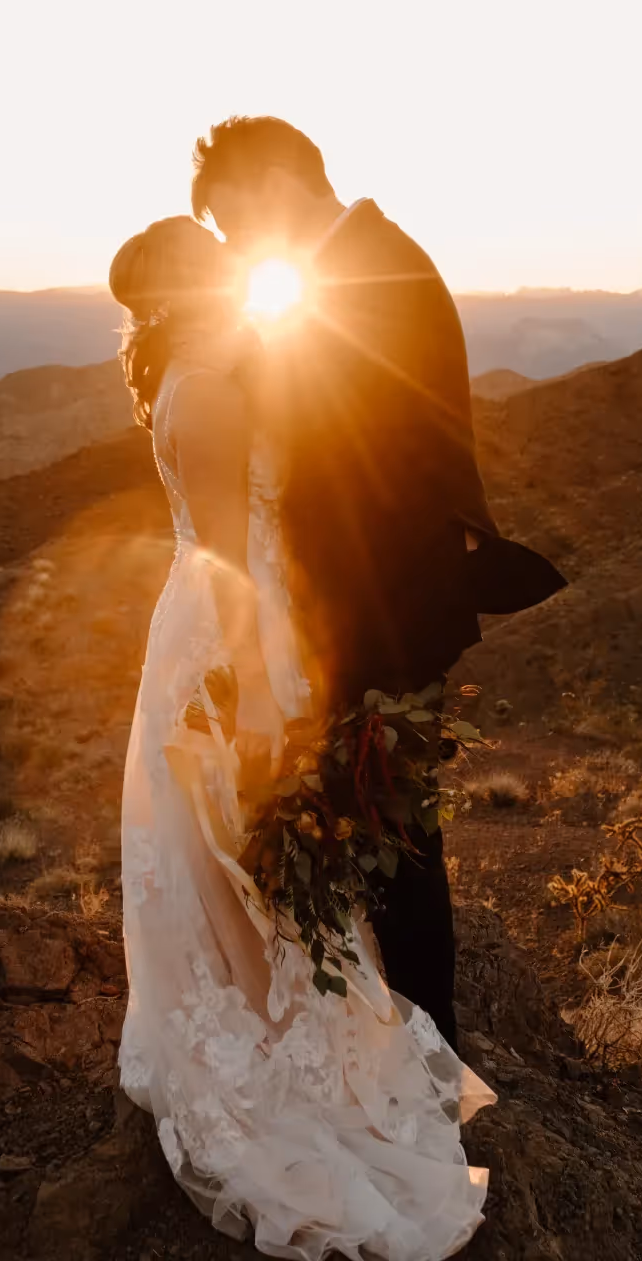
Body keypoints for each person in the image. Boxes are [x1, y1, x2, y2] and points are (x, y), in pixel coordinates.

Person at [110, 215, 495, 1261]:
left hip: (201, 626)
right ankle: (278, 1048)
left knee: (217, 854)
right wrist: (253, 704)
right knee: (245, 840)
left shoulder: (193, 374)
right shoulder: (220, 388)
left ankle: (246, 1011)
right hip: (235, 635)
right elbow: (237, 556)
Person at [190, 116, 566, 1047]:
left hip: (384, 606)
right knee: (376, 842)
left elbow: (355, 457)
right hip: (366, 601)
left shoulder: (376, 274)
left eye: (237, 224)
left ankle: (432, 1061)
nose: (237, 248)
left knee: (398, 846)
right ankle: (390, 1051)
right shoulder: (349, 267)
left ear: (278, 183)